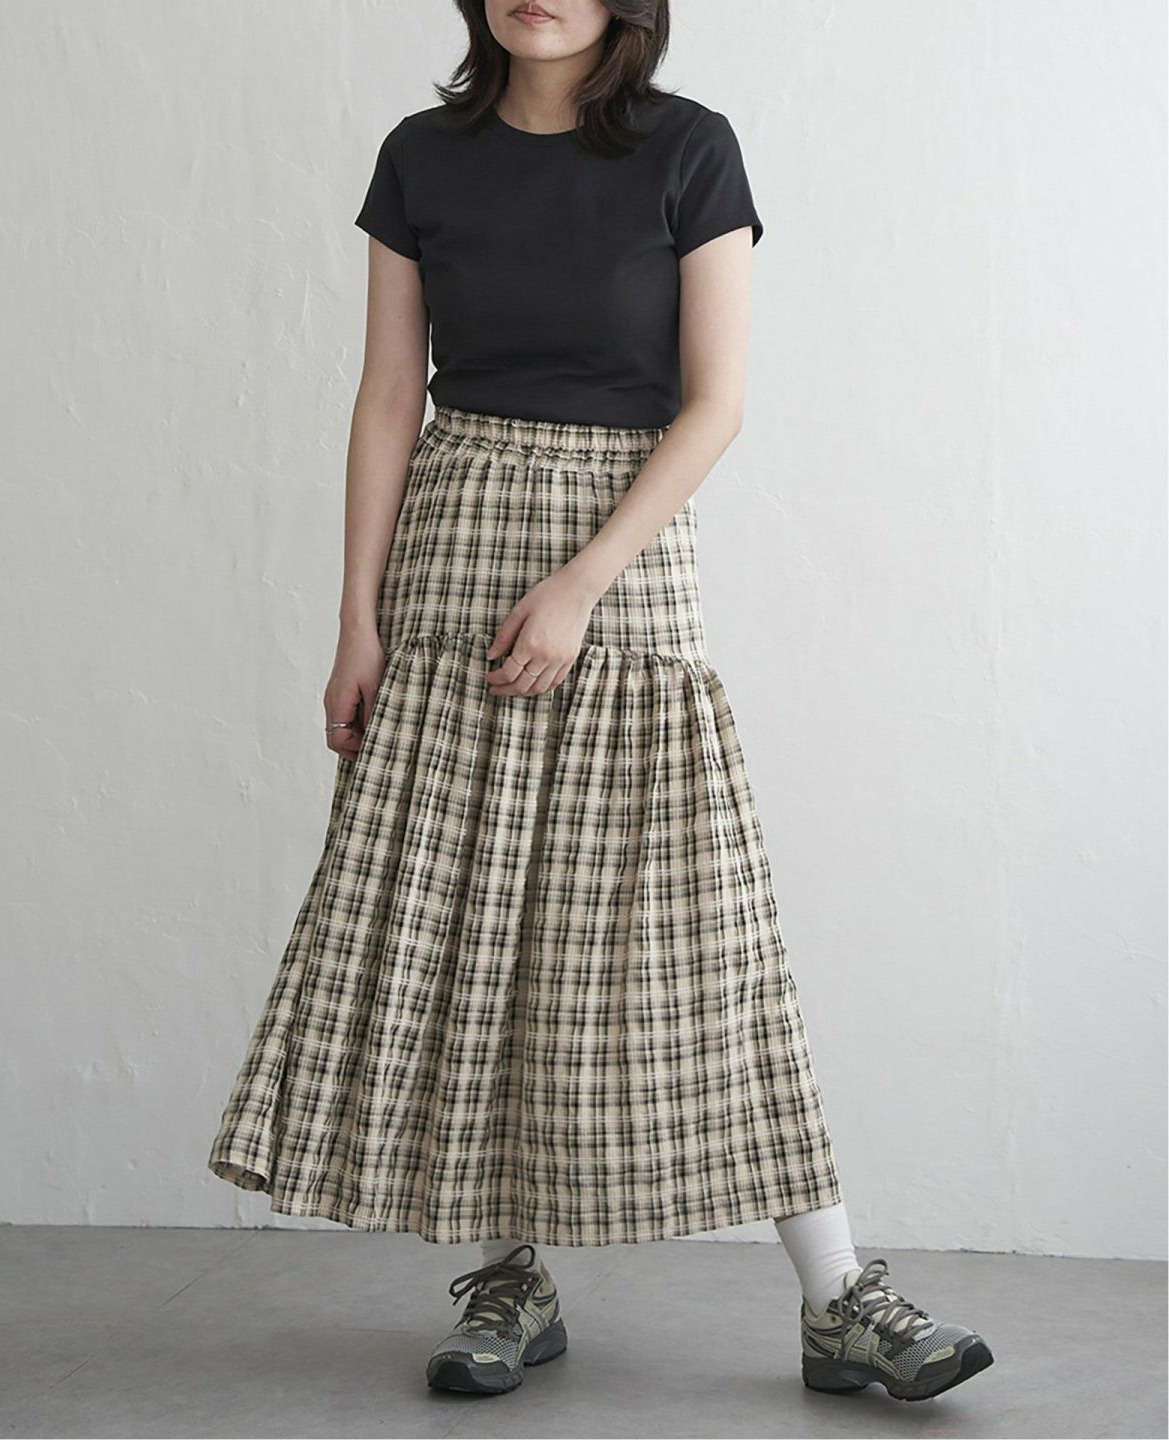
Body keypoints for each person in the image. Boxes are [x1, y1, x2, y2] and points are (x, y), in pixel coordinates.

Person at [207, 0, 994, 1405]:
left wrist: (583, 582)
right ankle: (510, 1279)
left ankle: (838, 1298)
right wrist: (355, 619)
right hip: (452, 543)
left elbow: (716, 403)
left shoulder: (690, 150)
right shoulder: (421, 155)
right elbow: (389, 396)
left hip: (623, 548)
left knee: (704, 928)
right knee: (468, 917)